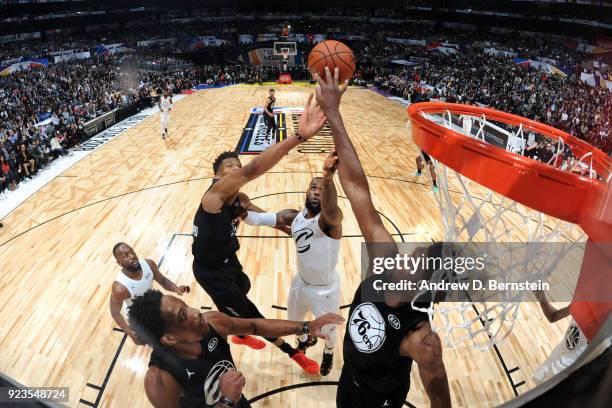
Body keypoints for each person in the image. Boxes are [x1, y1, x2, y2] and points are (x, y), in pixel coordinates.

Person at [314, 67, 451, 408]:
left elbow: (439, 396)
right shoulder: (384, 260)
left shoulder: (422, 339)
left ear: (421, 288)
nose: (407, 256)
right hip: (348, 384)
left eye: (415, 261)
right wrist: (333, 112)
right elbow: (358, 189)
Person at [191, 94, 327, 374]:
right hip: (210, 271)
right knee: (253, 315)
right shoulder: (213, 197)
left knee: (243, 287)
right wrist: (298, 136)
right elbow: (253, 168)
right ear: (217, 176)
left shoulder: (238, 199)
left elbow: (266, 218)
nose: (236, 169)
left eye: (236, 165)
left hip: (228, 264)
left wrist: (291, 230)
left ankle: (237, 329)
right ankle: (293, 354)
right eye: (229, 167)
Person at [127, 289, 344, 407]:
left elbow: (255, 325)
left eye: (186, 305)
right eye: (183, 316)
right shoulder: (159, 381)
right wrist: (226, 401)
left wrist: (305, 326)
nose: (195, 312)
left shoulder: (213, 322)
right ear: (169, 338)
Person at [243, 152, 343, 376]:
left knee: (328, 330)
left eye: (322, 189)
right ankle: (306, 340)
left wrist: (328, 178)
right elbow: (257, 219)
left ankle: (328, 352)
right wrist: (241, 206)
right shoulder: (293, 217)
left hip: (325, 289)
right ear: (306, 192)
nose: (317, 191)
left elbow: (332, 211)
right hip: (300, 282)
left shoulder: (330, 222)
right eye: (314, 187)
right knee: (294, 323)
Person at [109, 242, 190, 345]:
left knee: (175, 330)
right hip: (139, 318)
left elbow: (163, 281)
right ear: (119, 263)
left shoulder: (148, 265)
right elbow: (115, 313)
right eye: (126, 256)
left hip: (153, 304)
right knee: (159, 344)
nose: (132, 256)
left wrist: (177, 289)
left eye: (132, 251)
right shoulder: (120, 288)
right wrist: (131, 333)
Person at [532, 290, 588, 384]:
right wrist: (539, 294)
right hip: (555, 360)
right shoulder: (585, 300)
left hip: (566, 375)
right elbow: (552, 316)